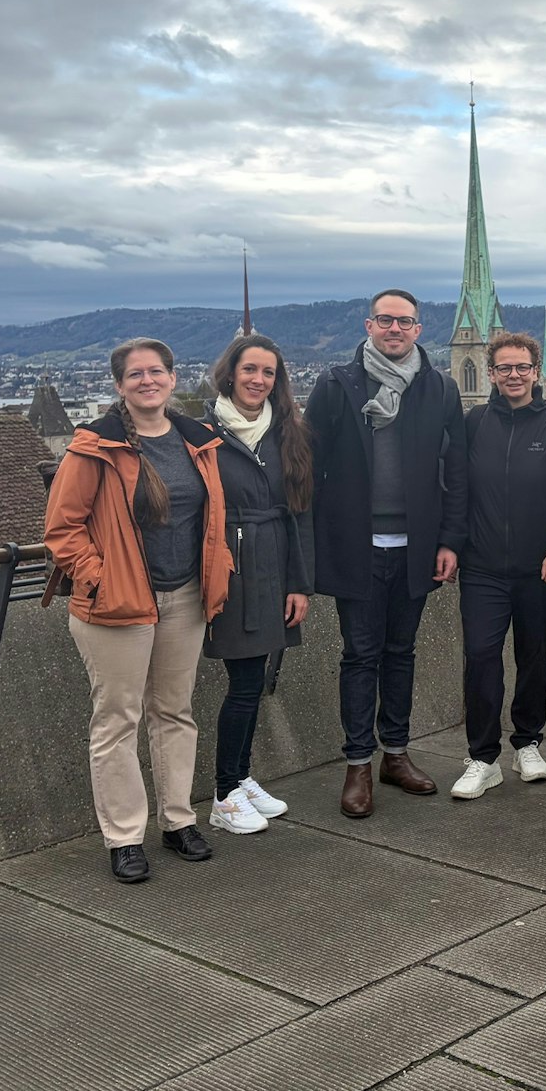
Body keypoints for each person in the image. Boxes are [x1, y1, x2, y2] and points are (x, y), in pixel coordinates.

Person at [44, 337, 233, 883]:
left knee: (174, 712)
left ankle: (178, 820)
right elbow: (62, 528)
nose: (148, 381)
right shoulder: (94, 447)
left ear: (173, 378)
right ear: (119, 385)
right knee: (117, 721)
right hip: (117, 603)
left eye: (156, 372)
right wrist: (100, 579)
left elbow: (210, 518)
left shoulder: (197, 441)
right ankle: (125, 837)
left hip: (185, 597)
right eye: (136, 374)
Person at [304, 290, 468, 817]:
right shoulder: (337, 385)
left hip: (416, 547)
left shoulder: (438, 388)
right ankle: (358, 763)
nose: (395, 328)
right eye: (385, 320)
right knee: (360, 655)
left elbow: (456, 472)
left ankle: (395, 754)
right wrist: (313, 541)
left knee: (401, 653)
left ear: (418, 329)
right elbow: (308, 466)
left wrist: (449, 541)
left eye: (405, 321)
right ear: (369, 325)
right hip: (357, 547)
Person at [451, 332, 546, 800]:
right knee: (481, 657)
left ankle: (527, 742)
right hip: (482, 567)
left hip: (540, 568)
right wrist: (453, 546)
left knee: (534, 657)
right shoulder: (474, 423)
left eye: (522, 367)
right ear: (491, 373)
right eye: (504, 368)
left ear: (536, 371)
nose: (514, 375)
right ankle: (483, 757)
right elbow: (456, 490)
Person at [200, 333, 315, 834]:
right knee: (245, 682)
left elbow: (300, 512)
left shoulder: (286, 432)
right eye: (250, 369)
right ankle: (225, 793)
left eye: (268, 372)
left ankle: (240, 777)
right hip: (230, 566)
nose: (258, 380)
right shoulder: (203, 432)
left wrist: (300, 584)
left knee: (253, 679)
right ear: (230, 374)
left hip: (272, 564)